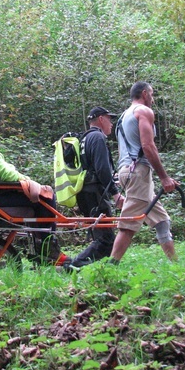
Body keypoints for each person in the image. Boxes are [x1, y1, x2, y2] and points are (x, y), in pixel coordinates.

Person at [0, 116, 68, 265]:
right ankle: (49, 250)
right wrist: (30, 182)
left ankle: (42, 247)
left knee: (40, 197)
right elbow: (8, 175)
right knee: (47, 198)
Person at [110, 81, 180, 264]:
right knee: (129, 225)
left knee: (161, 221)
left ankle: (176, 265)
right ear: (144, 94)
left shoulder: (122, 117)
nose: (153, 99)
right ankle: (109, 268)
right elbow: (148, 146)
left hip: (128, 171)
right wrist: (164, 178)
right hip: (138, 172)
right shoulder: (144, 111)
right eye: (152, 94)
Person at [65, 106, 123, 270]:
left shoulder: (84, 138)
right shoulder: (97, 138)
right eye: (109, 119)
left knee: (103, 237)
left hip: (85, 192)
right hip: (95, 193)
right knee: (106, 239)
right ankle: (73, 266)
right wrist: (115, 194)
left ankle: (92, 268)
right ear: (100, 119)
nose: (111, 123)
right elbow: (102, 169)